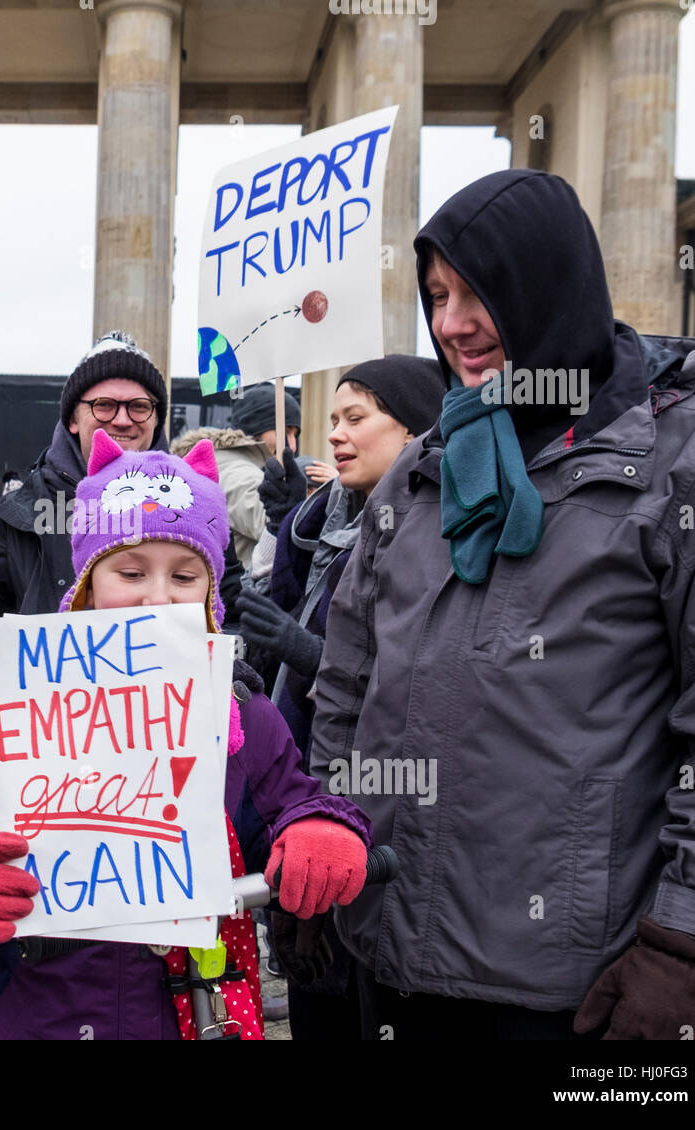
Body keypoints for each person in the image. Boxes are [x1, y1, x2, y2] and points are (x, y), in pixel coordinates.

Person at [311, 169, 695, 1040]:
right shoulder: (425, 466)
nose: (452, 323)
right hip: (388, 953)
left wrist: (686, 938)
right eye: (436, 295)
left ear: (548, 283)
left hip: (578, 991)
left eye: (481, 292)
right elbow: (345, 684)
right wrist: (325, 826)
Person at [0, 430, 374, 1039]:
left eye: (186, 577)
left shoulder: (239, 709)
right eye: (131, 571)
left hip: (192, 1014)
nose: (158, 597)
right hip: (34, 1015)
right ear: (87, 584)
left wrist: (319, 829)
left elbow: (297, 799)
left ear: (214, 592)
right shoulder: (14, 705)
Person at [235, 357, 446, 1038]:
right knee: (316, 999)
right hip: (307, 794)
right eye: (332, 420)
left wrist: (309, 655)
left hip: (383, 812)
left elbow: (421, 685)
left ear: (416, 430)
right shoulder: (321, 524)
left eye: (357, 418)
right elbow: (281, 616)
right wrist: (284, 525)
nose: (336, 435)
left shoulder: (439, 533)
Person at [0, 331, 170, 616]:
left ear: (156, 420)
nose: (122, 420)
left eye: (139, 407)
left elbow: (228, 618)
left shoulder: (197, 507)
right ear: (73, 418)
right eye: (104, 405)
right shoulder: (14, 518)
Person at [170, 384, 301, 575]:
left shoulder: (222, 462)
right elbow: (288, 535)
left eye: (295, 435)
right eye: (284, 431)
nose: (292, 445)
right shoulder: (240, 472)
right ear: (258, 426)